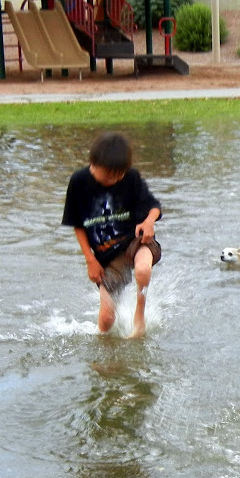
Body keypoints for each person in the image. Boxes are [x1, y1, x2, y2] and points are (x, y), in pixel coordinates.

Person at [62, 132, 162, 337]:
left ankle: (139, 316)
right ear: (94, 163)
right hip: (107, 255)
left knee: (143, 269)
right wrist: (90, 260)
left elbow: (154, 206)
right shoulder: (79, 182)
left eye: (119, 175)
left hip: (136, 242)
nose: (114, 180)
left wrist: (149, 221)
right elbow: (77, 225)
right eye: (109, 175)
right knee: (106, 321)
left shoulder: (131, 177)